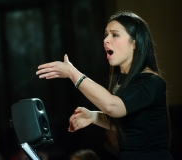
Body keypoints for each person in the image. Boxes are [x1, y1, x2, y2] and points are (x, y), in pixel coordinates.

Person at [36, 11, 173, 160]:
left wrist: (72, 73)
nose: (106, 40)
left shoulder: (151, 82)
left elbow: (113, 107)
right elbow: (129, 125)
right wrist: (93, 117)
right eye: (106, 34)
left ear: (135, 42)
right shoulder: (124, 80)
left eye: (115, 34)